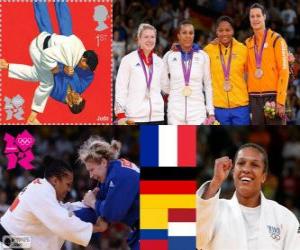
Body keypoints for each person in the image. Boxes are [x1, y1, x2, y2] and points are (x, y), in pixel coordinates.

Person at [0, 2, 98, 124]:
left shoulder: (56, 93)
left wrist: (64, 70)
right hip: (66, 52)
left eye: (77, 98)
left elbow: (44, 74)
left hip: (50, 55)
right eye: (79, 95)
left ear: (71, 104)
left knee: (45, 29)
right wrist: (77, 66)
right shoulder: (79, 88)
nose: (77, 94)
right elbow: (90, 75)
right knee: (67, 30)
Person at [196, 143, 300, 250]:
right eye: (241, 163)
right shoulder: (216, 210)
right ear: (233, 172)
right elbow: (196, 239)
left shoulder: (284, 217)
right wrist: (216, 182)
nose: (246, 169)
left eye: (254, 165)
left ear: (264, 176)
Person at [0, 159, 107, 250]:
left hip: (14, 239)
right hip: (7, 241)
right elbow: (62, 221)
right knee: (55, 231)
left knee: (46, 239)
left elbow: (62, 209)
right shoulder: (41, 192)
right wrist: (97, 228)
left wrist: (87, 203)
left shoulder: (42, 188)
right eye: (67, 184)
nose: (69, 189)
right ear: (55, 180)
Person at [77, 136, 140, 250]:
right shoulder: (111, 174)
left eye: (92, 170)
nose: (91, 176)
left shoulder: (121, 175)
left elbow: (112, 214)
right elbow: (99, 209)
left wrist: (93, 201)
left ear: (103, 162)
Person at [161, 20, 214, 124]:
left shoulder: (203, 56)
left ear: (194, 35)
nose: (188, 36)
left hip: (197, 110)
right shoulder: (169, 56)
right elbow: (163, 82)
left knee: (194, 140)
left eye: (191, 33)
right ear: (178, 35)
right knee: (177, 140)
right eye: (184, 33)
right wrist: (173, 91)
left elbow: (208, 85)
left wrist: (210, 111)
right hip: (175, 110)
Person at [245, 3, 289, 125]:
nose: (255, 19)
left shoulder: (277, 40)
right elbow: (243, 70)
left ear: (264, 17)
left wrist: (280, 101)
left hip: (273, 97)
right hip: (254, 99)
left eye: (258, 15)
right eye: (252, 16)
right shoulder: (247, 43)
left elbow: (284, 72)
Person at [115, 23, 164, 125]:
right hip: (134, 116)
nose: (149, 40)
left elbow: (165, 87)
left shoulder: (159, 62)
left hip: (157, 116)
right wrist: (120, 114)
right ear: (139, 39)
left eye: (152, 37)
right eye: (146, 37)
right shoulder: (128, 60)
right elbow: (121, 88)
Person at [204, 16, 250, 125]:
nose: (224, 33)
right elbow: (193, 54)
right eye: (221, 30)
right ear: (216, 31)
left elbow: (249, 75)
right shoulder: (208, 50)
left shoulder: (243, 50)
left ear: (233, 31)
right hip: (218, 108)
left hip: (241, 106)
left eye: (228, 30)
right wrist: (179, 47)